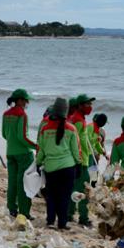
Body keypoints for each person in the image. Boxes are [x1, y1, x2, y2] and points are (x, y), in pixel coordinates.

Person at [37, 98, 81, 230]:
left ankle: (50, 221)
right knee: (64, 196)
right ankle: (62, 223)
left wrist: (38, 163)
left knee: (51, 195)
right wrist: (78, 165)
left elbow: (41, 150)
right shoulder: (72, 129)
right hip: (68, 168)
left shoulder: (45, 129)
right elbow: (76, 150)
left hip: (51, 168)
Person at [2, 88, 37, 218]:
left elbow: (5, 135)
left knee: (12, 182)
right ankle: (24, 212)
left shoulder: (6, 114)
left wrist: (13, 143)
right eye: (26, 100)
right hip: (23, 153)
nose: (27, 102)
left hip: (10, 151)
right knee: (24, 183)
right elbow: (22, 137)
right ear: (20, 100)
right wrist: (36, 146)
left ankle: (12, 208)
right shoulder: (22, 114)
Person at [68, 94, 96, 226]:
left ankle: (69, 214)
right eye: (87, 104)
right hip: (81, 160)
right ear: (79, 106)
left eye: (91, 104)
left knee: (74, 187)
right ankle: (83, 218)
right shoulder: (78, 120)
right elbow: (75, 141)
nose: (90, 107)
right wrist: (79, 159)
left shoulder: (77, 118)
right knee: (85, 189)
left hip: (77, 159)